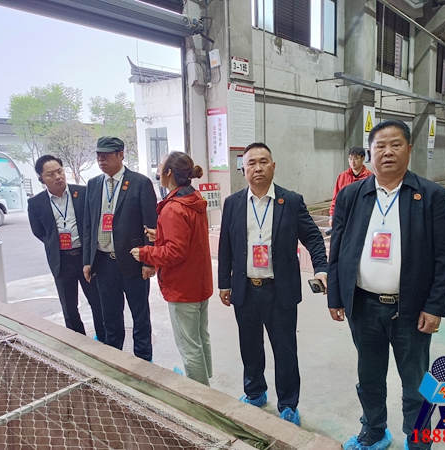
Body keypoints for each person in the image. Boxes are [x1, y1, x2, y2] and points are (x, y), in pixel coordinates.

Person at [327, 120, 445, 450]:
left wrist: (435, 306)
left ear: (409, 150)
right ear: (370, 153)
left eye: (396, 144)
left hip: (411, 309)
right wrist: (335, 297)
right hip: (363, 306)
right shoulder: (352, 195)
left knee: (416, 381)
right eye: (380, 146)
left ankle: (419, 439)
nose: (387, 152)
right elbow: (337, 249)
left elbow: (443, 257)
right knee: (369, 376)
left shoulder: (430, 195)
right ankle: (374, 429)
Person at [218, 142, 328, 426]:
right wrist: (224, 283)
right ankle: (255, 392)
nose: (258, 167)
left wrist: (321, 268)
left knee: (285, 349)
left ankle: (288, 404)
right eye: (251, 163)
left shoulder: (290, 201)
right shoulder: (233, 203)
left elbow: (313, 237)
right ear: (243, 169)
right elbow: (226, 246)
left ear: (273, 166)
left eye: (263, 161)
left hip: (280, 291)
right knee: (250, 346)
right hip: (245, 289)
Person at [131, 151, 213, 386]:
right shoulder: (194, 199)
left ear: (168, 173)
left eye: (160, 167)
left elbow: (175, 252)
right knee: (200, 337)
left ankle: (200, 393)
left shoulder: (173, 208)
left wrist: (145, 253)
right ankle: (206, 383)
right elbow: (188, 238)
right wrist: (160, 235)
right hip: (199, 282)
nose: (158, 171)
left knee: (189, 345)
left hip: (182, 287)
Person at [83, 136, 158, 361]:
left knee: (140, 316)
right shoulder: (93, 184)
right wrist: (88, 260)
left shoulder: (140, 183)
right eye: (99, 155)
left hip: (133, 262)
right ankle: (114, 359)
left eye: (107, 155)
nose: (101, 159)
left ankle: (143, 361)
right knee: (110, 317)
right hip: (104, 263)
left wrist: (149, 261)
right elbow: (88, 224)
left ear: (121, 155)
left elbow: (150, 224)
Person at [28, 155, 105, 341]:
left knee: (98, 302)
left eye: (60, 171)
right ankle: (79, 343)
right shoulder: (36, 203)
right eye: (50, 174)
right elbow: (39, 231)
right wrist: (55, 244)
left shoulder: (82, 193)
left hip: (85, 257)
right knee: (69, 308)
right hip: (61, 260)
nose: (58, 177)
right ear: (41, 178)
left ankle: (104, 341)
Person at [328, 147, 373, 228]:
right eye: (350, 158)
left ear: (363, 158)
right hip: (345, 215)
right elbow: (336, 198)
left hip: (363, 216)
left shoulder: (370, 177)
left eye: (356, 158)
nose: (352, 161)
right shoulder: (342, 177)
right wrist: (332, 216)